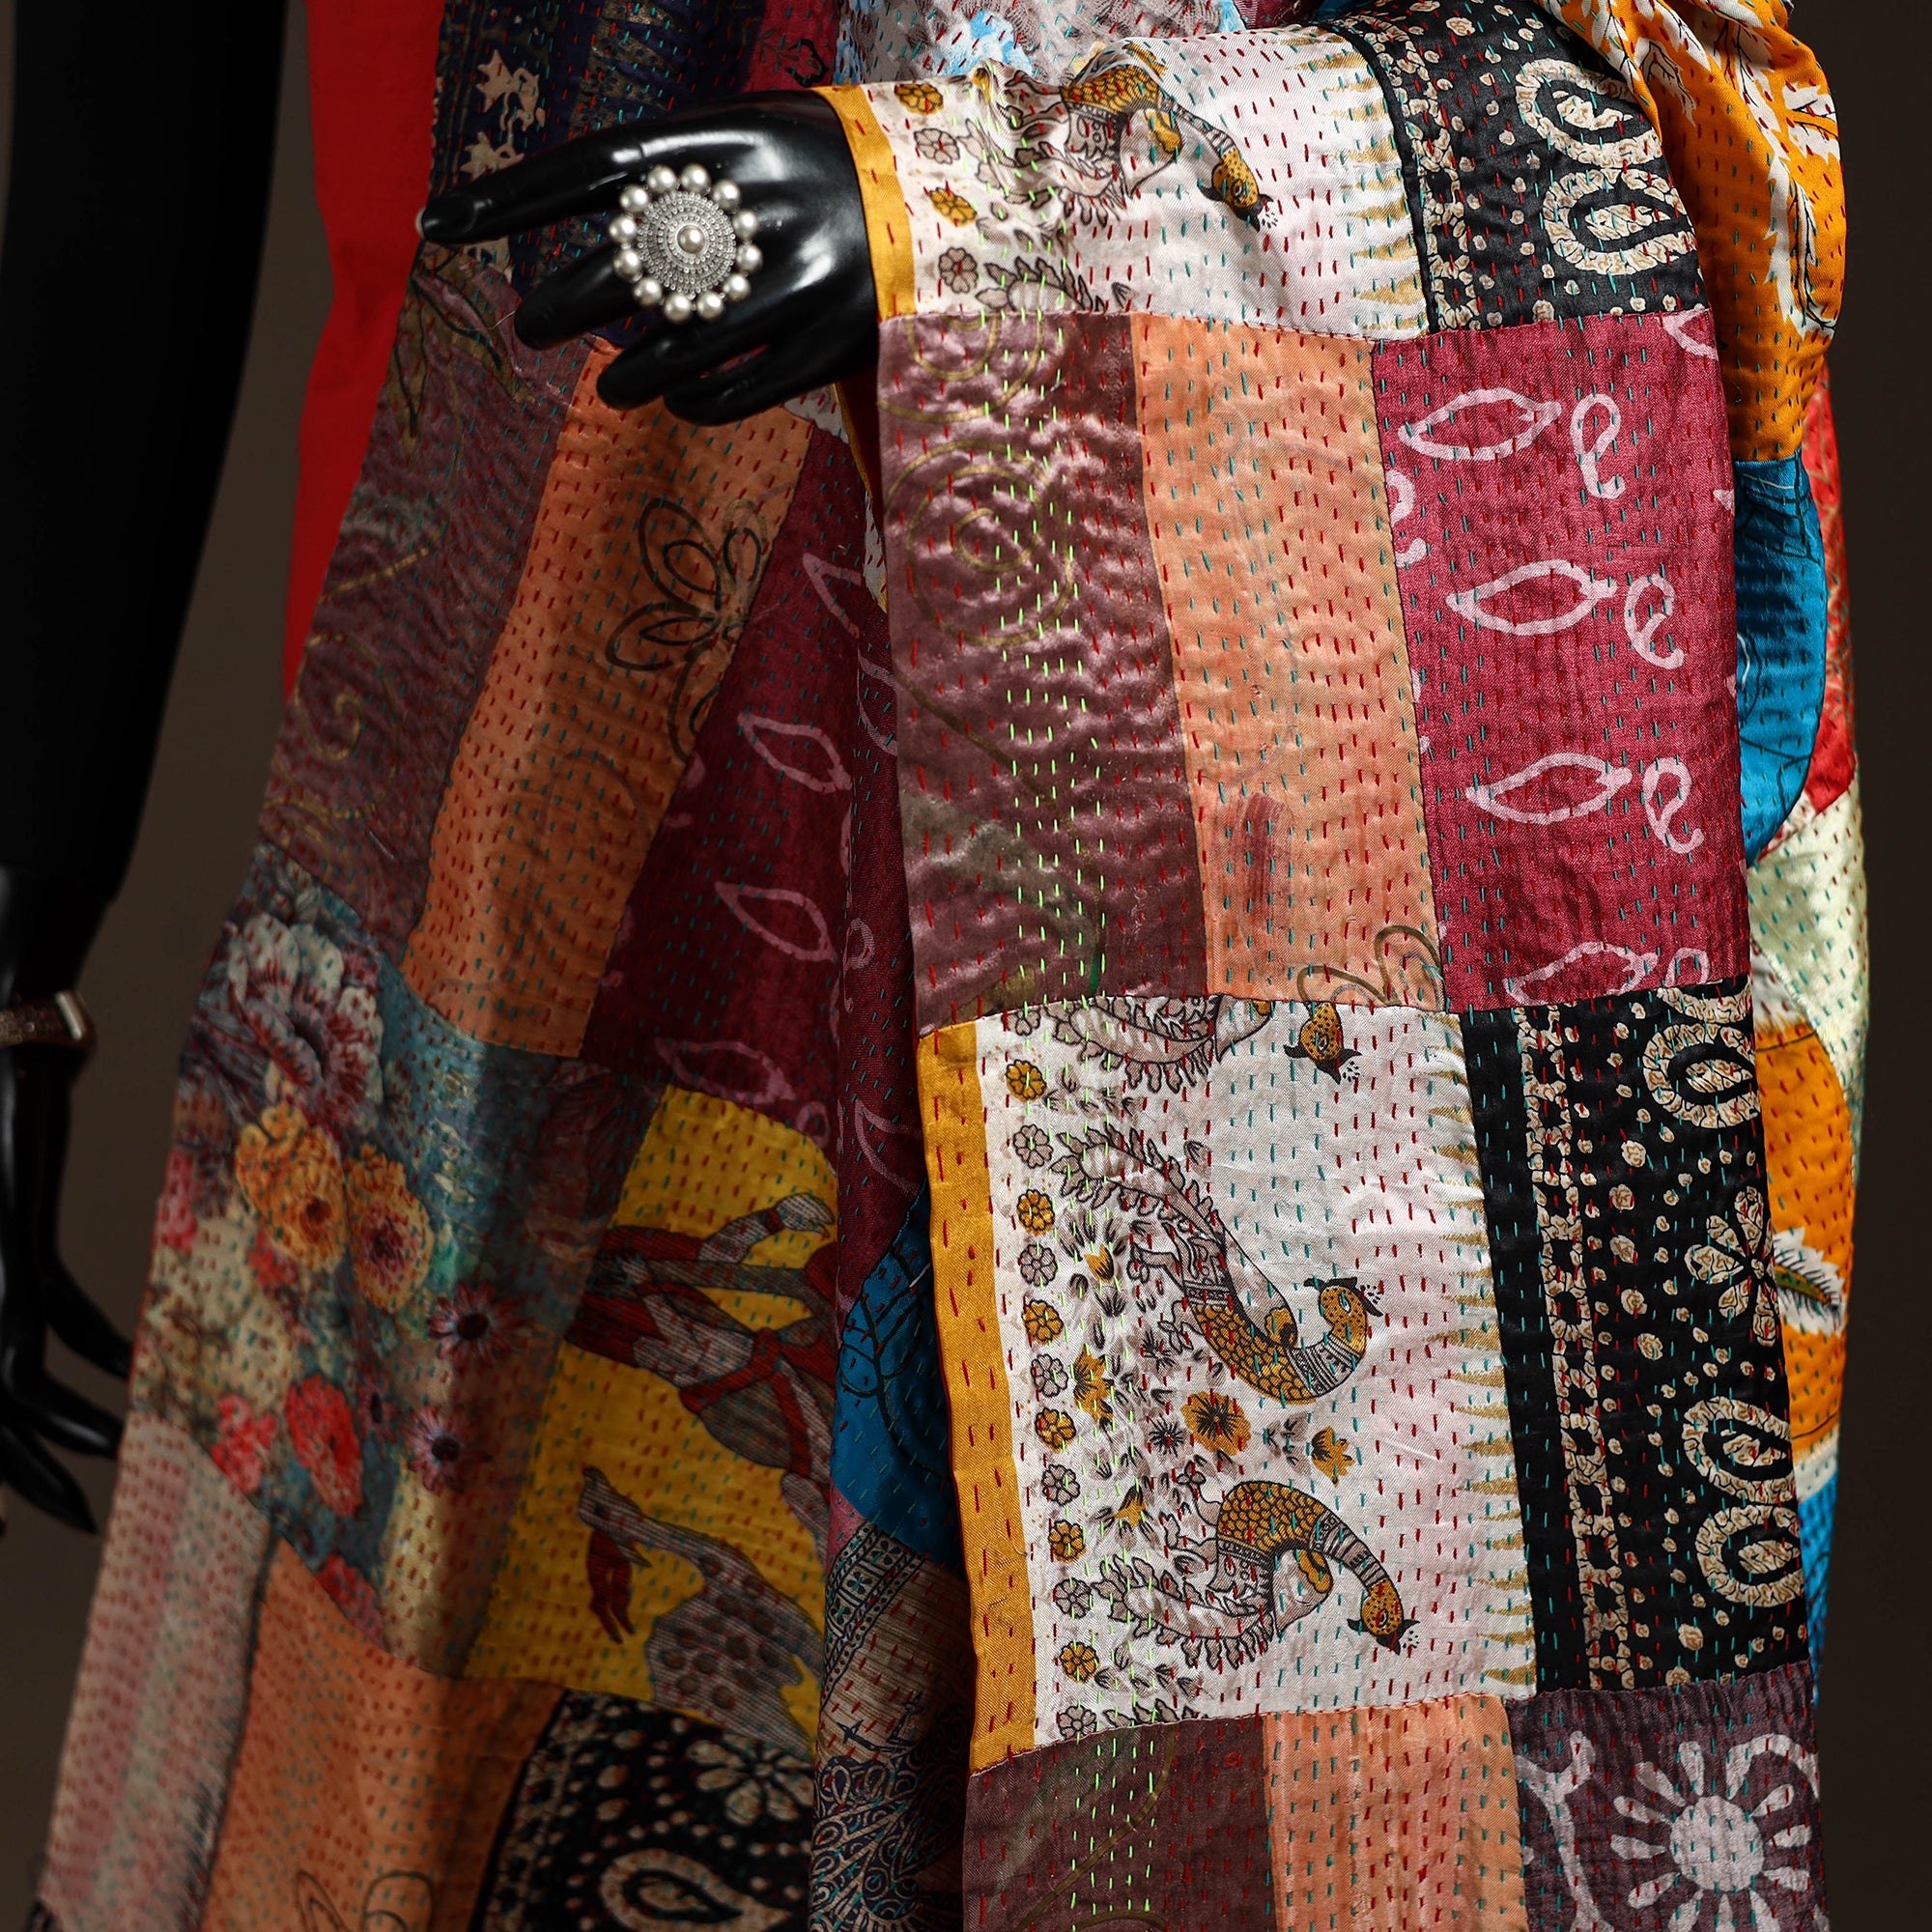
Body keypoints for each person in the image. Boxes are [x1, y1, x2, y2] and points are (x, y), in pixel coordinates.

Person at [4, 5, 1861, 1929]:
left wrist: (967, 204)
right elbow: (125, 128)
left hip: (1301, 891)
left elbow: (1699, 103)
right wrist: (25, 936)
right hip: (528, 855)